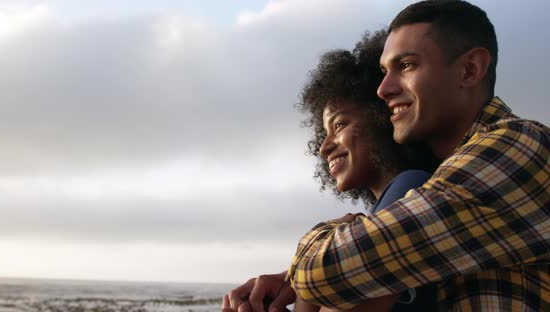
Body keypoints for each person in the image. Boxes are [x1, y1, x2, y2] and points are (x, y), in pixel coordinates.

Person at [227, 1, 550, 311]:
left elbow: (322, 271)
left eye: (406, 65)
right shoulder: (442, 192)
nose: (383, 89)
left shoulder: (519, 144)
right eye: (384, 71)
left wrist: (325, 239)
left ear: (469, 69)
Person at [222, 31, 439, 312]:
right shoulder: (383, 215)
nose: (324, 147)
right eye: (323, 133)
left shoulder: (410, 188)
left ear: (385, 116)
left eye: (339, 125)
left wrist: (322, 238)